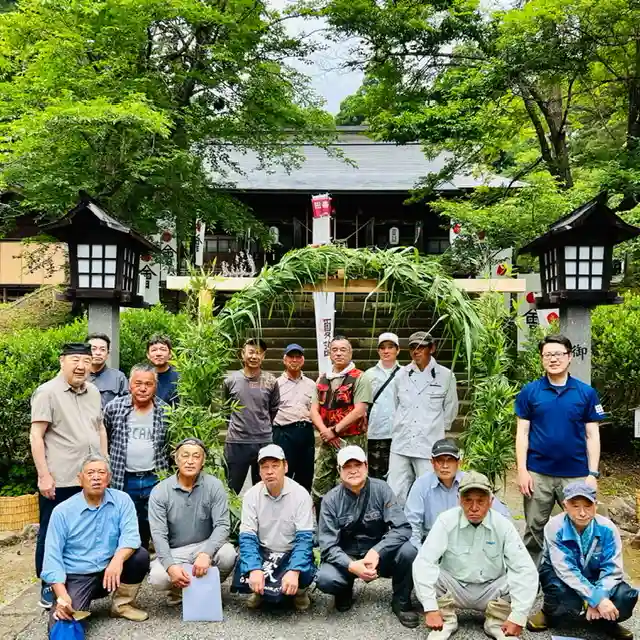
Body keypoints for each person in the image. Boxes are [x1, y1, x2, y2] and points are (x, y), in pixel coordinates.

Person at [413, 471, 538, 640]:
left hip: (492, 589)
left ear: (491, 502)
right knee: (428, 571)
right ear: (459, 500)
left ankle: (497, 622)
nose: (474, 507)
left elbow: (525, 569)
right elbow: (424, 562)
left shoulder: (503, 525)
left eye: (480, 501)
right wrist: (430, 608)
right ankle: (445, 619)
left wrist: (518, 617)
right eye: (468, 500)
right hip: (454, 587)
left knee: (521, 577)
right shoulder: (445, 520)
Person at [515, 334, 605, 565]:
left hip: (575, 474)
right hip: (538, 474)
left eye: (558, 354)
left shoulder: (585, 393)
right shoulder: (530, 392)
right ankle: (531, 577)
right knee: (534, 529)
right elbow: (522, 433)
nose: (553, 359)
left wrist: (592, 474)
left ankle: (575, 575)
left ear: (569, 356)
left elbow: (592, 435)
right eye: (547, 355)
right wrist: (522, 471)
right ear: (541, 358)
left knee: (579, 527)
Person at [30, 342, 107, 609]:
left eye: (86, 361)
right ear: (62, 361)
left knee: (86, 529)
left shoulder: (93, 392)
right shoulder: (47, 392)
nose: (81, 366)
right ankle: (48, 583)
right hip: (61, 477)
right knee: (52, 530)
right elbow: (36, 435)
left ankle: (81, 581)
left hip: (91, 476)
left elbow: (100, 428)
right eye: (75, 360)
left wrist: (104, 462)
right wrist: (44, 475)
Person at [42, 453, 150, 636]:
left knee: (140, 556)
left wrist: (117, 560)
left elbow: (131, 536)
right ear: (80, 479)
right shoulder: (62, 512)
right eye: (90, 473)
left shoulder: (122, 500)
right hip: (77, 575)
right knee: (66, 620)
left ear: (109, 478)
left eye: (101, 472)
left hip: (110, 571)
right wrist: (61, 595)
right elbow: (52, 558)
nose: (96, 477)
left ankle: (121, 605)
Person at [316, 445, 419, 628]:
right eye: (347, 466)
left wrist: (377, 551)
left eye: (358, 465)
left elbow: (402, 528)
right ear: (339, 470)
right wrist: (351, 565)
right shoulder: (330, 500)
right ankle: (344, 589)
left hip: (379, 555)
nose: (353, 470)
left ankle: (401, 602)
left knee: (408, 551)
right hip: (348, 556)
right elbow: (327, 545)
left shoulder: (382, 489)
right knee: (325, 578)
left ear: (366, 466)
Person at [527, 481, 638, 639]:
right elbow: (566, 570)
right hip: (561, 576)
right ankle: (549, 613)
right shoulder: (554, 527)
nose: (582, 513)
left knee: (625, 596)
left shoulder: (608, 528)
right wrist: (596, 600)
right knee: (562, 598)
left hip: (595, 577)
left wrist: (599, 597)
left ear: (595, 505)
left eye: (588, 506)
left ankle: (606, 622)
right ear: (565, 506)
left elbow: (612, 569)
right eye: (575, 506)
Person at [148, 438, 237, 606]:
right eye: (185, 456)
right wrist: (170, 567)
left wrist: (206, 553)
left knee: (228, 554)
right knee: (158, 577)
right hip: (176, 550)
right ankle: (179, 589)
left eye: (196, 456)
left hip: (204, 545)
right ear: (176, 459)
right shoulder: (160, 491)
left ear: (203, 461)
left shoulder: (214, 485)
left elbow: (223, 525)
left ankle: (206, 587)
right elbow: (158, 535)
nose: (190, 461)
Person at [234, 444, 315, 611]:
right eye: (265, 467)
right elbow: (247, 537)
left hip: (289, 552)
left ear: (285, 467)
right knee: (245, 562)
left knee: (305, 568)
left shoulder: (301, 495)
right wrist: (254, 569)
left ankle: (300, 591)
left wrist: (294, 570)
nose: (269, 471)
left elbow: (304, 540)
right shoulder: (251, 496)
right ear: (259, 471)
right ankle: (259, 591)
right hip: (264, 552)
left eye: (275, 465)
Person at [388, 331, 458, 506]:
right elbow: (395, 405)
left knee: (428, 490)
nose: (416, 351)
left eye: (421, 347)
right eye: (413, 348)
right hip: (402, 442)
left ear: (432, 348)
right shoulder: (400, 375)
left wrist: (435, 429)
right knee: (395, 490)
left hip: (429, 443)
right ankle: (396, 522)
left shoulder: (446, 376)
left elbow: (450, 409)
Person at [104, 363, 169, 549]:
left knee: (154, 521)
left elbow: (170, 445)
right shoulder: (114, 408)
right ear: (129, 384)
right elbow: (104, 437)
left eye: (148, 384)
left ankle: (150, 557)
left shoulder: (165, 411)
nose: (143, 388)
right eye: (138, 383)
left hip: (154, 477)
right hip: (124, 478)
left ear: (155, 386)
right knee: (126, 521)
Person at [405, 438, 511, 549]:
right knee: (407, 550)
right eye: (440, 460)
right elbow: (412, 524)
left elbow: (503, 516)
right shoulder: (421, 485)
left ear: (459, 462)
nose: (445, 466)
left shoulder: (471, 481)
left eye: (450, 460)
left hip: (467, 543)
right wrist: (420, 553)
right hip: (432, 543)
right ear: (432, 462)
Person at [310, 336, 372, 512]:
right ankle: (323, 522)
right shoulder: (322, 379)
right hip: (327, 439)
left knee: (351, 482)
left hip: (352, 439)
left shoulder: (360, 378)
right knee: (320, 483)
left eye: (343, 350)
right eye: (334, 350)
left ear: (350, 353)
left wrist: (335, 430)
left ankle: (350, 522)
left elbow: (360, 410)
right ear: (329, 354)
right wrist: (326, 432)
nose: (338, 353)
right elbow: (313, 410)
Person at [223, 338, 280, 493]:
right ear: (243, 354)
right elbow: (226, 409)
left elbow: (273, 408)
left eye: (258, 353)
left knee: (264, 489)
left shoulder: (271, 381)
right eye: (251, 352)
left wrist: (261, 425)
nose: (254, 356)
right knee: (231, 489)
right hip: (236, 442)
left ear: (263, 356)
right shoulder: (230, 380)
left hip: (263, 441)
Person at [272, 344, 316, 492]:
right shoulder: (275, 384)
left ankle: (303, 504)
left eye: (298, 357)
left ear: (303, 360)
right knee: (284, 474)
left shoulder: (311, 384)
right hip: (283, 433)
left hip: (306, 432)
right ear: (284, 360)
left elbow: (315, 409)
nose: (295, 360)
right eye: (291, 357)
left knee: (306, 475)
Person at [362, 332, 401, 480]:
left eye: (390, 347)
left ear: (398, 350)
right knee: (375, 475)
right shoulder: (368, 375)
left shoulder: (405, 373)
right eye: (382, 348)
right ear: (378, 351)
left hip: (399, 433)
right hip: (375, 431)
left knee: (397, 476)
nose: (386, 351)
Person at [86, 332, 128, 408]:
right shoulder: (78, 376)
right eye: (93, 349)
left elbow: (127, 405)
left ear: (107, 353)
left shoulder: (119, 378)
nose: (98, 353)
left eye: (102, 349)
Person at [147, 334, 179, 406]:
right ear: (148, 355)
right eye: (154, 350)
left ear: (170, 354)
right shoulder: (141, 376)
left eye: (163, 349)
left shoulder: (179, 378)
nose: (158, 354)